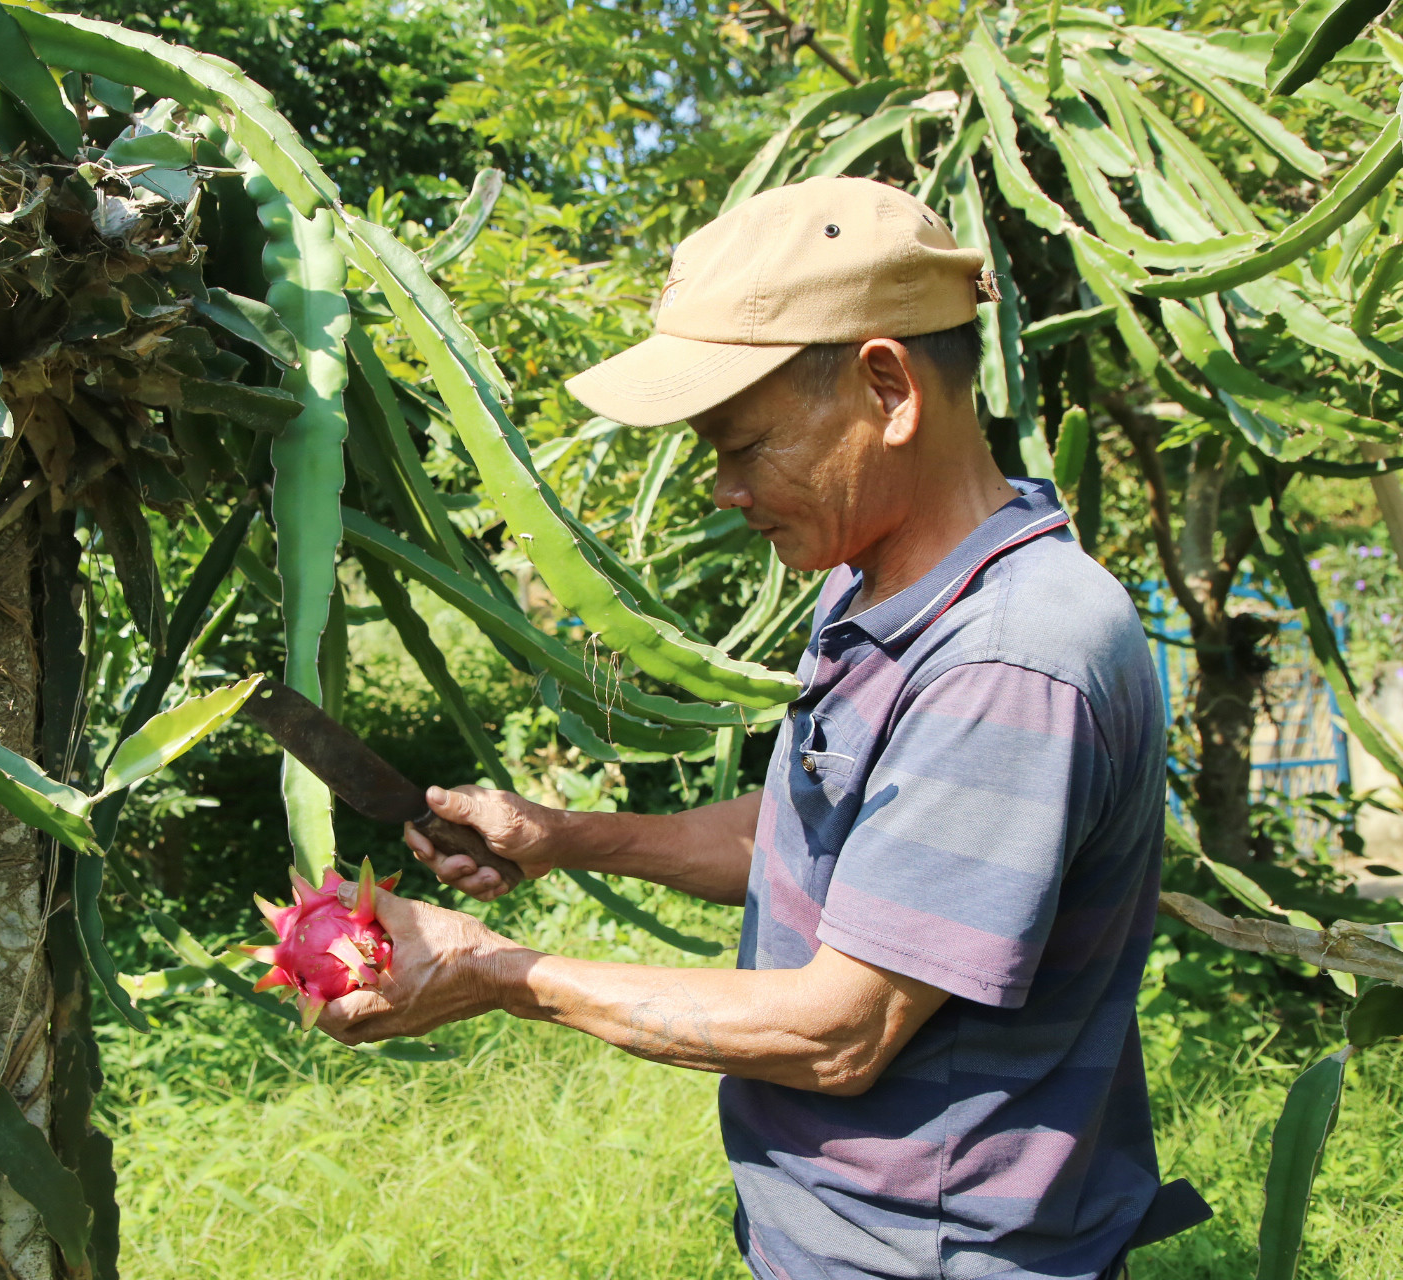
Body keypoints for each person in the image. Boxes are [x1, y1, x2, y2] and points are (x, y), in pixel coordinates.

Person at [316, 177, 1206, 1280]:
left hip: (936, 1256)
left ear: (887, 388)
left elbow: (840, 1028)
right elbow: (819, 835)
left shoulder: (1009, 659)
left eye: (743, 444)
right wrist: (566, 835)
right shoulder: (876, 581)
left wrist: (501, 972)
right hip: (836, 1236)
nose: (723, 489)